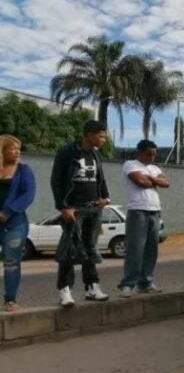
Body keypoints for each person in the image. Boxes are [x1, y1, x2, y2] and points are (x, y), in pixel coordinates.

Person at [51, 120, 111, 307]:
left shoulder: (96, 154)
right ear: (89, 135)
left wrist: (106, 198)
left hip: (93, 207)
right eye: (101, 136)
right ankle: (65, 290)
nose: (103, 139)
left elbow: (100, 178)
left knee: (90, 249)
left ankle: (92, 287)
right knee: (70, 250)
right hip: (74, 209)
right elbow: (57, 181)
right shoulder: (68, 152)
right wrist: (63, 207)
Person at [118, 140, 170, 297]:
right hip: (138, 211)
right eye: (149, 154)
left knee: (151, 249)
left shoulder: (154, 168)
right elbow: (140, 181)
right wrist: (155, 181)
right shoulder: (130, 164)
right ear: (139, 152)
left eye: (154, 154)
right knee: (135, 249)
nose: (152, 157)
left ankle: (146, 282)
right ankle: (128, 284)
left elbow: (166, 183)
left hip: (155, 211)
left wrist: (152, 179)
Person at [0, 135, 36, 312]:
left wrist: (7, 212)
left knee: (11, 261)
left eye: (18, 149)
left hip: (15, 223)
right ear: (2, 150)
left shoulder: (24, 170)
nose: (17, 152)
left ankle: (10, 299)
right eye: (12, 148)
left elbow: (28, 195)